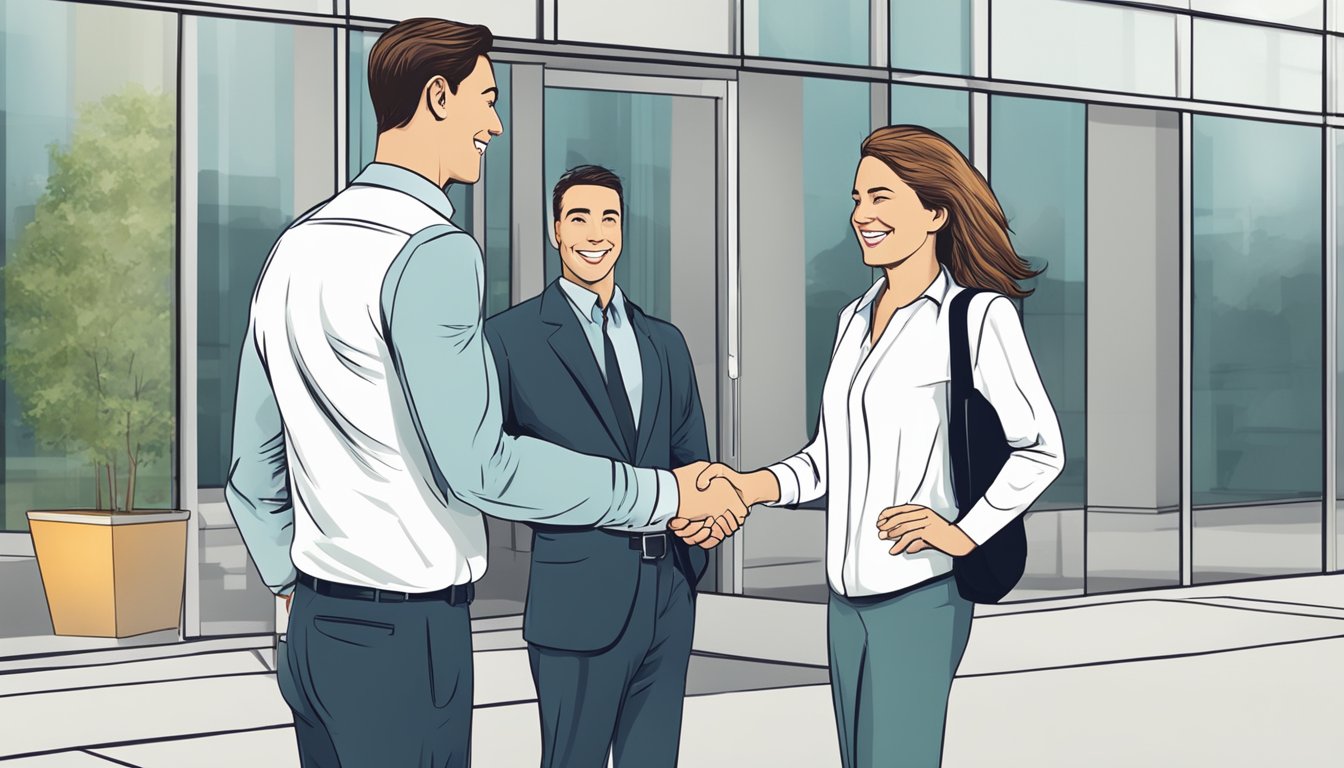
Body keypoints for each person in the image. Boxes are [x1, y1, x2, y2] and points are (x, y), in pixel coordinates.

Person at [225, 19, 744, 768]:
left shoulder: (296, 246)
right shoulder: (431, 249)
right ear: (436, 97)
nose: (495, 125)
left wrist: (287, 581)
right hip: (405, 640)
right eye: (486, 100)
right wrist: (664, 495)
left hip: (314, 628)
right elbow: (483, 467)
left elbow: (251, 464)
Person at [698, 124, 1065, 767]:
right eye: (857, 198)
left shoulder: (977, 318)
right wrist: (748, 486)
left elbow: (1040, 448)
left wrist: (964, 533)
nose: (860, 215)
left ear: (935, 212)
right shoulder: (853, 317)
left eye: (880, 199)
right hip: (844, 600)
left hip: (920, 596)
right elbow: (828, 458)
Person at [485, 165, 714, 768]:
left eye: (608, 217)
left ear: (623, 229)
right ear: (555, 232)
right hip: (577, 601)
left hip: (667, 595)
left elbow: (693, 461)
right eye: (579, 217)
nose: (596, 232)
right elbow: (494, 469)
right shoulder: (509, 340)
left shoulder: (664, 341)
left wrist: (699, 546)